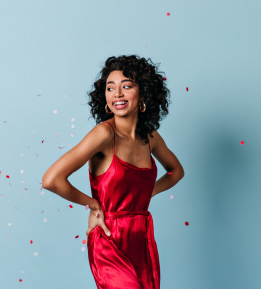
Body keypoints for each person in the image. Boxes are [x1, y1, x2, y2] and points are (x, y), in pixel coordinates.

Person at [42, 55, 184, 289]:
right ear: (105, 98)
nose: (117, 94)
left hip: (141, 235)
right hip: (109, 237)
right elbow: (51, 179)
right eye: (110, 88)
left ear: (143, 95)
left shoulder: (150, 137)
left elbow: (176, 171)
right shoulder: (104, 134)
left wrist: (148, 193)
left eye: (126, 86)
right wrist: (93, 204)